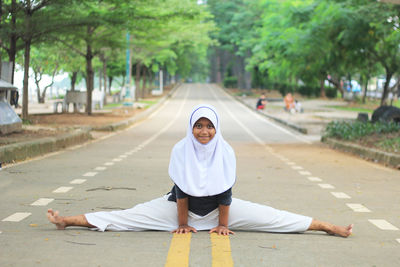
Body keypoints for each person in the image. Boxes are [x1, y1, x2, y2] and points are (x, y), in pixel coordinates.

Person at [47, 104, 353, 237]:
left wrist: (221, 225)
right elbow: (181, 190)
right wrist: (182, 224)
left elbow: (226, 192)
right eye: (198, 125)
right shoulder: (182, 148)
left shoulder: (226, 150)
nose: (203, 131)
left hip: (218, 211)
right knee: (125, 218)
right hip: (178, 209)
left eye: (209, 126)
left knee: (273, 218)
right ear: (191, 127)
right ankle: (67, 221)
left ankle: (327, 226)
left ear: (216, 128)